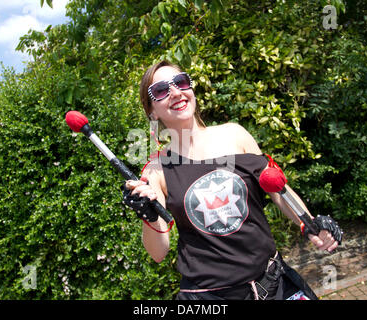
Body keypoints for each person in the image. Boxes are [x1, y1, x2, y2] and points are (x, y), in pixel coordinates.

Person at [123, 61, 342, 300]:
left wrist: (308, 224)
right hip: (211, 297)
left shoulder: (235, 134)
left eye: (181, 82)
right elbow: (158, 252)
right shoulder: (156, 170)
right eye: (162, 90)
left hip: (273, 283)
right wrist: (148, 215)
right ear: (151, 111)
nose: (175, 92)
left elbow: (277, 189)